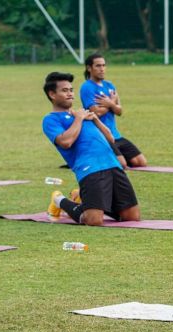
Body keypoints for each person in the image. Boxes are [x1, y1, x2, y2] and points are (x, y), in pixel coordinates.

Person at [42, 72, 140, 226]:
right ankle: (59, 200)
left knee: (132, 217)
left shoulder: (82, 114)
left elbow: (110, 138)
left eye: (71, 90)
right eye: (64, 90)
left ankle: (81, 197)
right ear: (52, 94)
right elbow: (66, 142)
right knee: (93, 221)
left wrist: (94, 118)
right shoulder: (51, 119)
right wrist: (79, 118)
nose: (70, 94)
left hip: (112, 163)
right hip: (89, 169)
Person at [80, 53, 147, 168]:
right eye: (98, 66)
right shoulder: (87, 87)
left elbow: (119, 111)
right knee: (122, 165)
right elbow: (96, 112)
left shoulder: (109, 85)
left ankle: (103, 156)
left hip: (115, 135)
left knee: (141, 163)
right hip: (101, 136)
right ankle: (95, 156)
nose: (102, 69)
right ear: (89, 68)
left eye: (103, 65)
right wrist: (111, 104)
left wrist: (109, 103)